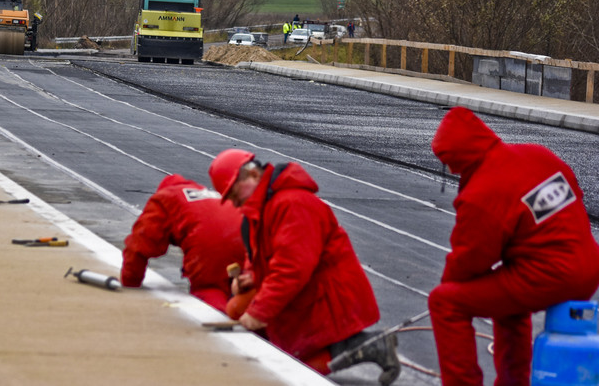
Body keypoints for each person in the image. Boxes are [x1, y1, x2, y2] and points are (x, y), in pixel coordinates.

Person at [428, 107, 599, 386]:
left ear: (456, 156)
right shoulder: (537, 155)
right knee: (506, 302)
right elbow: (575, 194)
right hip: (590, 265)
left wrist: (452, 286)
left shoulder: (481, 192)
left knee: (444, 301)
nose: (448, 169)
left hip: (553, 277)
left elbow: (470, 259)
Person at [208, 149, 400, 385]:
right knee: (239, 306)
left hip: (329, 298)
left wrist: (259, 313)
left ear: (253, 175)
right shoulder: (260, 208)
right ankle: (282, 348)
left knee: (290, 372)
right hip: (307, 292)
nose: (234, 202)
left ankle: (367, 345)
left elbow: (292, 268)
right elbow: (262, 255)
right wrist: (251, 275)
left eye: (233, 193)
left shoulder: (293, 204)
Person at [120, 174, 246, 312]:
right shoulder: (207, 194)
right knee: (243, 286)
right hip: (245, 238)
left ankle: (220, 317)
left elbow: (140, 242)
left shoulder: (165, 198)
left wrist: (130, 282)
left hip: (211, 245)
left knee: (209, 288)